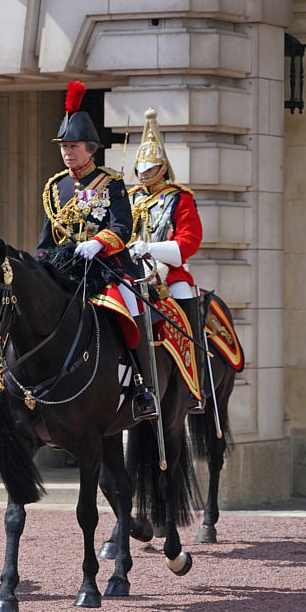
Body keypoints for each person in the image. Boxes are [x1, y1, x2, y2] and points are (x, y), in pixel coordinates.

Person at [36, 81, 157, 422]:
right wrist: (39, 266)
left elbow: (123, 227)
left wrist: (98, 243)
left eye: (73, 146)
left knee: (131, 308)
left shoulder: (111, 182)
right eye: (64, 146)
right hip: (66, 268)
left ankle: (142, 386)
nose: (67, 152)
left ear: (90, 149)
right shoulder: (55, 186)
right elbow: (47, 238)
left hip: (107, 267)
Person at [128, 108, 206, 413]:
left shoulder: (180, 198)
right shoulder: (131, 197)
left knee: (184, 302)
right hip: (132, 271)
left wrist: (152, 248)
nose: (144, 174)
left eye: (150, 169)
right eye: (141, 169)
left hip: (168, 275)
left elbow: (189, 241)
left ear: (162, 168)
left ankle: (193, 385)